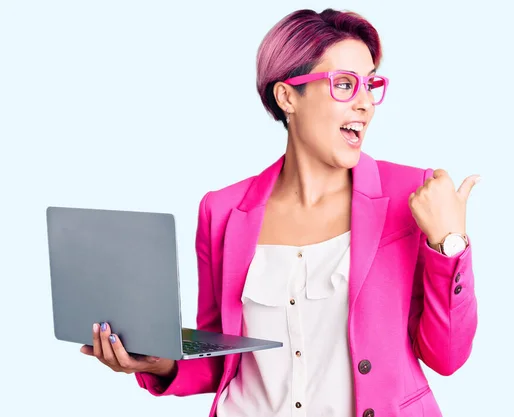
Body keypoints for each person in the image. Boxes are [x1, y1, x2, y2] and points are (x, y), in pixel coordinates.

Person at [80, 8, 479, 417]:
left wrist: (448, 245)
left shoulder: (413, 196)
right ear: (287, 96)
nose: (365, 104)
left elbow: (447, 356)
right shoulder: (222, 211)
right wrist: (157, 362)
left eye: (370, 84)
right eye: (344, 84)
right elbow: (223, 355)